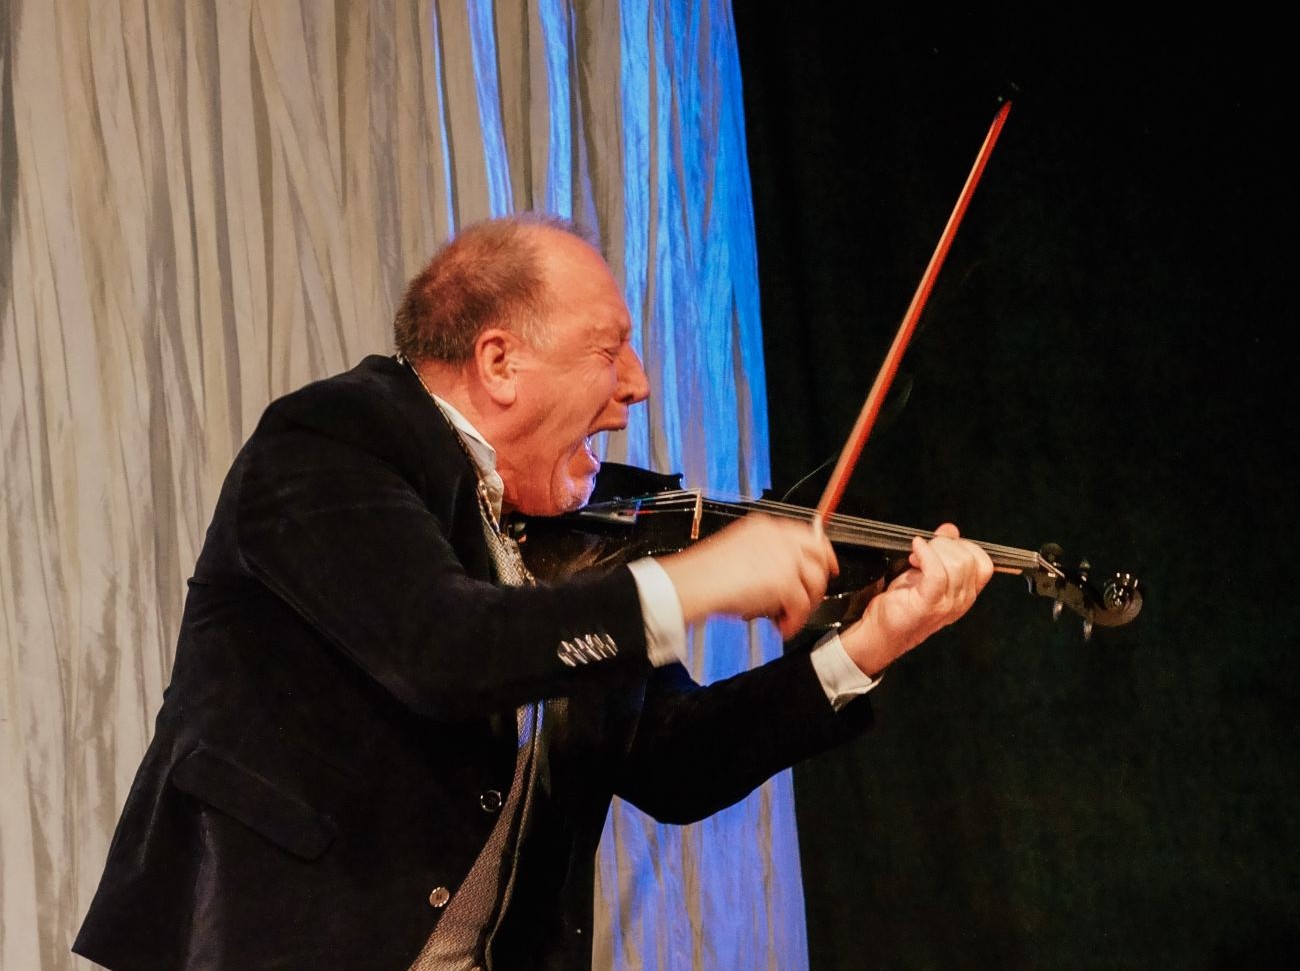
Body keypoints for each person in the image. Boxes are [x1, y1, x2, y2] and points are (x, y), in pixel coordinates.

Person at [73, 216, 992, 971]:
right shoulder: (330, 442)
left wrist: (868, 644)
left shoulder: (568, 543)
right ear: (499, 362)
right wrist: (689, 581)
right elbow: (444, 648)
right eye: (610, 350)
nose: (636, 386)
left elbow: (675, 764)